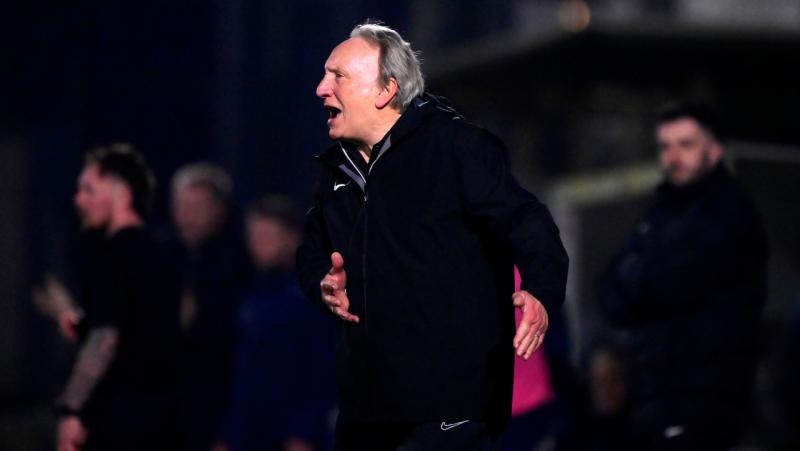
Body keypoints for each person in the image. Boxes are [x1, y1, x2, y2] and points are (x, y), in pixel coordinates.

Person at [297, 22, 569, 451]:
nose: (320, 89)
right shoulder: (336, 170)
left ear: (385, 90)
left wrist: (540, 289)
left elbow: (528, 221)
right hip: (366, 409)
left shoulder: (457, 148)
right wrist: (322, 285)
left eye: (337, 76)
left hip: (449, 405)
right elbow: (311, 252)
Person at [598, 102, 767, 450]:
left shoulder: (727, 212)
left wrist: (638, 276)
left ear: (714, 150)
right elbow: (610, 293)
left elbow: (668, 284)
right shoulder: (660, 213)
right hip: (655, 403)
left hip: (702, 407)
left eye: (686, 144)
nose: (673, 157)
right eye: (665, 146)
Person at [55, 143, 181, 451]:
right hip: (162, 418)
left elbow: (105, 338)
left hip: (115, 420)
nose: (79, 199)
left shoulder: (108, 255)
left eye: (88, 189)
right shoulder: (164, 254)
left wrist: (71, 410)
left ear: (120, 193)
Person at [214, 195, 336, 451]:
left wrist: (303, 433)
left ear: (291, 238)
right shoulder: (251, 294)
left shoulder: (311, 296)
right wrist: (226, 433)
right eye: (253, 236)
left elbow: (318, 370)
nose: (258, 245)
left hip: (289, 433)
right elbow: (241, 372)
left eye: (267, 236)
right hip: (247, 431)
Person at [168, 162, 251, 451]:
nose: (188, 217)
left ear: (220, 211)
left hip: (216, 405)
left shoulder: (238, 266)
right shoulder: (163, 258)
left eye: (198, 207)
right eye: (182, 207)